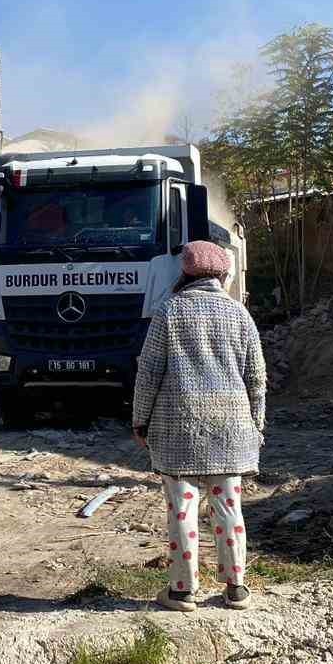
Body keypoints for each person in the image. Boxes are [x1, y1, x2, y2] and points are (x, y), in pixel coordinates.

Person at [131, 240, 267, 612]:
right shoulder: (239, 314)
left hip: (178, 431)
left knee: (182, 510)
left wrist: (140, 420)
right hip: (231, 432)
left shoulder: (170, 311)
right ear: (223, 274)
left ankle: (181, 591)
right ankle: (236, 588)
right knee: (229, 508)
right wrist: (256, 425)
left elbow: (148, 374)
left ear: (185, 273)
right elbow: (256, 378)